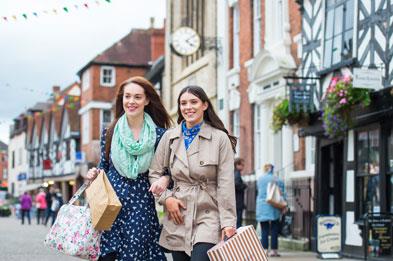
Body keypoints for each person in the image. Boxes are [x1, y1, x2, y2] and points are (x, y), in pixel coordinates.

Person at [86, 76, 172, 261]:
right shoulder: (109, 133)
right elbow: (104, 167)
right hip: (109, 207)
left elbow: (169, 171)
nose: (131, 102)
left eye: (137, 97)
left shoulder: (160, 136)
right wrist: (94, 173)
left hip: (141, 209)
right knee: (107, 256)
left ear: (147, 100)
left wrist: (165, 179)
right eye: (127, 96)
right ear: (122, 99)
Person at [149, 86, 237, 261]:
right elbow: (154, 174)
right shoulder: (169, 138)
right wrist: (167, 199)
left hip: (209, 214)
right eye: (183, 103)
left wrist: (228, 223)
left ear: (204, 105)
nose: (188, 107)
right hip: (178, 215)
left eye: (193, 102)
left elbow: (226, 184)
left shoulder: (220, 138)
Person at [256, 163, 286, 257]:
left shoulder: (260, 179)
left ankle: (264, 250)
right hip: (274, 205)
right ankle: (274, 250)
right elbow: (282, 194)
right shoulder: (277, 179)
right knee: (274, 228)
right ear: (272, 169)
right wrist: (284, 206)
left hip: (262, 206)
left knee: (264, 228)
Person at [234, 158, 247, 228]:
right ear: (237, 165)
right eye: (242, 165)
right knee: (238, 222)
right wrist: (244, 186)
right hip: (238, 202)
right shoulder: (237, 173)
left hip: (237, 201)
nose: (243, 167)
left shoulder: (235, 173)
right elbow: (236, 184)